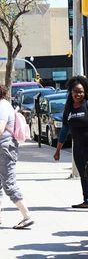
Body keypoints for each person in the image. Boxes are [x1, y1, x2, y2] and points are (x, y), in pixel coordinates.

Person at [53, 76, 88, 213]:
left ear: (85, 92)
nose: (78, 94)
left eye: (81, 91)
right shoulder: (69, 109)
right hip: (78, 147)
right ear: (71, 92)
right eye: (75, 91)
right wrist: (58, 150)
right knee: (83, 174)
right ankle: (87, 200)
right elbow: (64, 130)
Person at [0, 85, 34, 229]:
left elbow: (0, 130)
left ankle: (27, 215)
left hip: (5, 148)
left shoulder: (2, 107)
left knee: (9, 184)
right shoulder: (5, 104)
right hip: (5, 147)